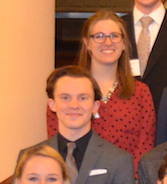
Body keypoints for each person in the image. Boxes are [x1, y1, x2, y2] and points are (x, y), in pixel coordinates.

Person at [47, 11, 156, 168]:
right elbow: (56, 144)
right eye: (99, 36)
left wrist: (128, 182)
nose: (107, 42)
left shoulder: (141, 92)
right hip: (76, 183)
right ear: (86, 42)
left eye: (114, 36)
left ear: (124, 43)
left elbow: (145, 147)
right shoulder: (64, 90)